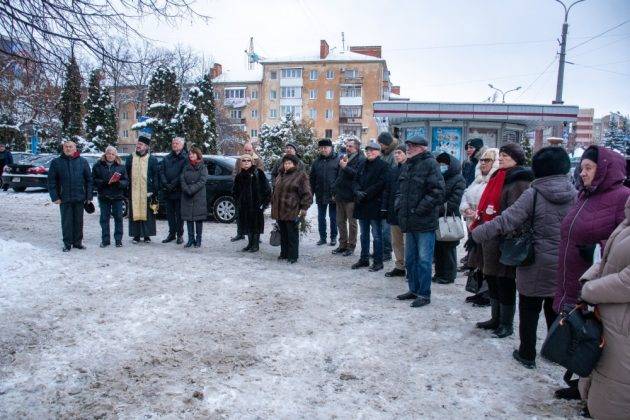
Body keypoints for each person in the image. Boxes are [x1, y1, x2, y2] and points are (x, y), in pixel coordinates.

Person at [472, 147, 576, 368]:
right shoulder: (575, 193)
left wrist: (478, 233)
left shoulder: (534, 193)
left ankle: (527, 353)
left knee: (529, 308)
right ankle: (552, 350)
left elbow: (507, 220)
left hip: (535, 261)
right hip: (564, 262)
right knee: (554, 307)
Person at [552, 145, 629, 400]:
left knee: (596, 338)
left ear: (604, 169)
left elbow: (621, 239)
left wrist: (597, 249)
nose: (582, 173)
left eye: (589, 168)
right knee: (579, 331)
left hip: (598, 283)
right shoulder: (584, 195)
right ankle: (581, 383)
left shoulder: (621, 197)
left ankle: (590, 389)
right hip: (572, 275)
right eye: (581, 167)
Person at [471, 143, 534, 338]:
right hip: (490, 235)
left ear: (517, 158)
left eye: (505, 156)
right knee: (492, 278)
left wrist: (504, 233)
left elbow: (517, 213)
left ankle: (506, 323)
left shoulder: (520, 180)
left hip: (506, 239)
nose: (501, 159)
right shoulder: (499, 177)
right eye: (501, 155)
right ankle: (495, 317)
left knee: (505, 280)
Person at [578, 196, 630, 419]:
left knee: (615, 394)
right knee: (602, 384)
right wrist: (589, 278)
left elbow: (626, 280)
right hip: (610, 318)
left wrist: (591, 290)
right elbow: (608, 258)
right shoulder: (626, 222)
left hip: (623, 324)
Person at [395, 135, 445, 308]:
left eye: (413, 146)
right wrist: (399, 206)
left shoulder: (431, 164)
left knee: (424, 260)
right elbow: (401, 190)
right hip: (410, 221)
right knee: (411, 259)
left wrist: (418, 210)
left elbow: (437, 192)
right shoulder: (408, 164)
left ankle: (424, 294)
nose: (408, 148)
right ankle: (414, 289)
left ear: (422, 148)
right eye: (408, 145)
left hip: (424, 221)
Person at [460, 148, 500, 306]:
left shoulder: (495, 181)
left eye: (488, 160)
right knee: (476, 260)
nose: (483, 163)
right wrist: (466, 209)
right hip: (473, 225)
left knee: (488, 261)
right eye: (482, 160)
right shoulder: (477, 180)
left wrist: (479, 214)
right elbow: (465, 195)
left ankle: (487, 294)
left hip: (487, 227)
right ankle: (478, 291)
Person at [47, 140, 93, 252]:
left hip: (79, 197)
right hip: (64, 198)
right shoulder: (56, 162)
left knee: (78, 221)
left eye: (71, 147)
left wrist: (88, 196)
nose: (68, 148)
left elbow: (89, 180)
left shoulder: (83, 162)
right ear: (63, 148)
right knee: (66, 222)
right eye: (66, 147)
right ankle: (67, 243)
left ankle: (78, 242)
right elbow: (51, 181)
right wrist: (55, 197)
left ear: (75, 148)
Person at [351, 140, 389, 272]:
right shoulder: (362, 164)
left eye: (373, 150)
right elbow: (355, 180)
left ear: (378, 152)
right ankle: (364, 259)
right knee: (364, 234)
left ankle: (378, 261)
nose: (370, 152)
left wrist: (365, 194)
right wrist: (356, 191)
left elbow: (381, 183)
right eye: (367, 150)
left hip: (375, 204)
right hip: (362, 204)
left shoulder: (384, 165)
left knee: (377, 235)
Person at [271, 154, 313, 263]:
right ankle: (284, 253)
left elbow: (307, 194)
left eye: (289, 163)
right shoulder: (280, 174)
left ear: (294, 164)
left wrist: (304, 208)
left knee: (292, 234)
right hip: (280, 209)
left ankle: (293, 256)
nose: (286, 165)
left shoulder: (300, 176)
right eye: (285, 163)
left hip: (292, 209)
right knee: (283, 233)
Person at [433, 152, 466, 284]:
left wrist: (436, 208)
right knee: (438, 248)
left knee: (448, 248)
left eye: (445, 164)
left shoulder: (459, 179)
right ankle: (439, 273)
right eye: (440, 164)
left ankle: (449, 275)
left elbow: (454, 202)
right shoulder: (438, 177)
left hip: (449, 219)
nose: (442, 166)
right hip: (437, 218)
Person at [332, 137, 365, 257]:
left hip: (351, 196)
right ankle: (342, 245)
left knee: (352, 223)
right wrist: (334, 190)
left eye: (350, 146)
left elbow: (358, 175)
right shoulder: (344, 157)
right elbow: (339, 176)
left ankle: (351, 246)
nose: (348, 147)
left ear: (356, 147)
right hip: (340, 195)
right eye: (347, 145)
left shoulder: (361, 159)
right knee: (340, 221)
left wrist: (345, 167)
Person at [233, 153, 271, 252]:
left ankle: (255, 245)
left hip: (256, 205)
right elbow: (235, 191)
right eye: (244, 160)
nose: (246, 162)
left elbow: (267, 189)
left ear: (252, 162)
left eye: (248, 160)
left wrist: (263, 204)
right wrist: (238, 202)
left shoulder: (258, 173)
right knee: (247, 224)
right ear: (241, 163)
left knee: (256, 225)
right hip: (244, 206)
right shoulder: (239, 176)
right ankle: (250, 244)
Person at [92, 146, 128, 248]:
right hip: (104, 195)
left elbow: (126, 181)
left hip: (117, 196)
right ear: (105, 154)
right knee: (104, 219)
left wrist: (119, 183)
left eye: (113, 154)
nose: (110, 156)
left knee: (118, 219)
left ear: (115, 155)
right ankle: (105, 240)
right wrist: (103, 182)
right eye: (109, 153)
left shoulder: (121, 166)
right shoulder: (98, 165)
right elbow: (93, 180)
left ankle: (118, 240)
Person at [126, 134, 159, 244]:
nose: (138, 146)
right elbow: (126, 173)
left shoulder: (152, 159)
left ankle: (147, 235)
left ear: (146, 147)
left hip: (147, 191)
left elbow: (155, 176)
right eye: (138, 144)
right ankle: (135, 235)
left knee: (147, 214)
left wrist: (154, 191)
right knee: (135, 213)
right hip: (134, 191)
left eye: (141, 144)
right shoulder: (131, 158)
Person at [232, 141, 265, 242]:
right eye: (245, 150)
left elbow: (260, 175)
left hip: (253, 192)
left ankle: (255, 236)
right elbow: (235, 172)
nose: (247, 151)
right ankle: (240, 233)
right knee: (240, 214)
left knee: (254, 217)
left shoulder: (258, 160)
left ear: (252, 150)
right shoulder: (239, 160)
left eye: (249, 150)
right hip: (241, 192)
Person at [383, 144, 407, 277]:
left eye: (399, 153)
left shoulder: (410, 168)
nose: (397, 155)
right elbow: (387, 190)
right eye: (395, 153)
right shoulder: (392, 170)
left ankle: (409, 267)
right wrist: (385, 207)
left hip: (405, 211)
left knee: (407, 241)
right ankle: (400, 265)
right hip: (393, 210)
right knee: (396, 241)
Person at [310, 138, 340, 246]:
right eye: (321, 148)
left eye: (326, 147)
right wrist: (311, 193)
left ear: (331, 148)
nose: (324, 150)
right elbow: (312, 179)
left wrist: (336, 192)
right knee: (321, 217)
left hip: (333, 194)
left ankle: (333, 237)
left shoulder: (337, 160)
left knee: (333, 217)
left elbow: (340, 178)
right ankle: (322, 237)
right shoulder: (316, 162)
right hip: (320, 193)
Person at [159, 137, 187, 244]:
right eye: (173, 143)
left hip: (179, 190)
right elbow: (161, 172)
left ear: (182, 145)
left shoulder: (185, 158)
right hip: (168, 191)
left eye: (177, 143)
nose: (174, 144)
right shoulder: (166, 158)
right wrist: (166, 184)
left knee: (179, 215)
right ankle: (171, 234)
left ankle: (180, 235)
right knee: (170, 214)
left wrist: (173, 184)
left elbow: (183, 174)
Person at [180, 147, 208, 248]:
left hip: (198, 196)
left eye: (193, 154)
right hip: (187, 195)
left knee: (198, 219)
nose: (191, 155)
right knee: (189, 219)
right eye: (190, 154)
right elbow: (182, 179)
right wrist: (186, 189)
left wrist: (191, 189)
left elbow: (202, 180)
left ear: (198, 155)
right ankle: (191, 239)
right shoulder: (186, 166)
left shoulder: (203, 167)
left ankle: (198, 240)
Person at [377, 131, 399, 261]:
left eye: (381, 144)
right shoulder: (383, 154)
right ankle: (381, 250)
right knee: (380, 227)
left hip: (389, 194)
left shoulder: (393, 155)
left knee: (386, 228)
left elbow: (391, 174)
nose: (380, 146)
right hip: (382, 194)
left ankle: (386, 251)